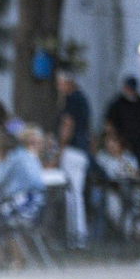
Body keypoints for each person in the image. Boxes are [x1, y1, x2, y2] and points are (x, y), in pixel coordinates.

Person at [0, 126, 48, 269]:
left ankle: (2, 257)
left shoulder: (12, 158)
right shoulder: (27, 155)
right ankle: (13, 258)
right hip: (37, 206)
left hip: (26, 206)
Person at [56, 71, 92, 249]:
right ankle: (78, 234)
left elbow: (67, 124)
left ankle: (75, 236)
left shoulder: (71, 99)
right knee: (77, 194)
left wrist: (60, 150)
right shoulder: (84, 99)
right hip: (82, 152)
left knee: (72, 195)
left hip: (72, 151)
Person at [103, 77, 140, 183]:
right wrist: (112, 139)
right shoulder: (117, 103)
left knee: (139, 172)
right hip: (124, 144)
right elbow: (109, 123)